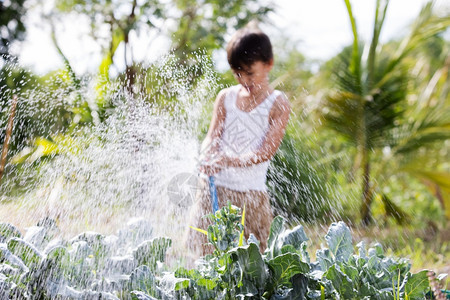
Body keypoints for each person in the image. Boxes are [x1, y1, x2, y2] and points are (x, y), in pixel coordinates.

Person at [186, 24, 291, 257]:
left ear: (268, 64)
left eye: (250, 72)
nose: (243, 79)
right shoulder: (226, 97)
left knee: (251, 264)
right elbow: (212, 137)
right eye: (237, 73)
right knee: (208, 261)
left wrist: (228, 160)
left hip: (250, 196)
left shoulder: (277, 103)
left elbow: (265, 152)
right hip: (214, 189)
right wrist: (208, 156)